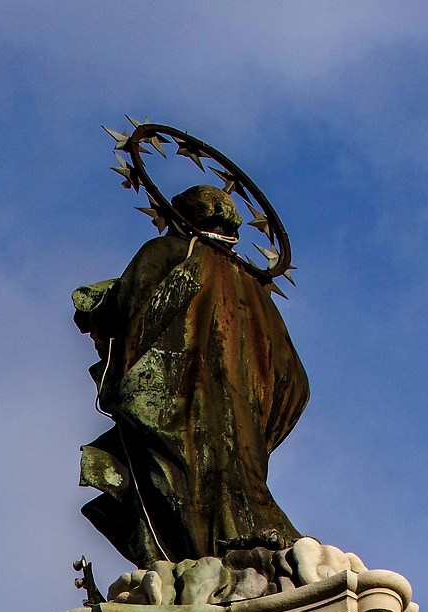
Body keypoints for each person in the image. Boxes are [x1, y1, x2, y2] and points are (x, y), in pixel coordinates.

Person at [73, 184, 309, 566]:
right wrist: (258, 421)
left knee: (180, 487)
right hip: (242, 427)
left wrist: (94, 305)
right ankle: (258, 552)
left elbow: (126, 305)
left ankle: (219, 560)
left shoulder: (168, 251)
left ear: (181, 218)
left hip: (175, 405)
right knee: (231, 486)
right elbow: (295, 383)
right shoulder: (256, 289)